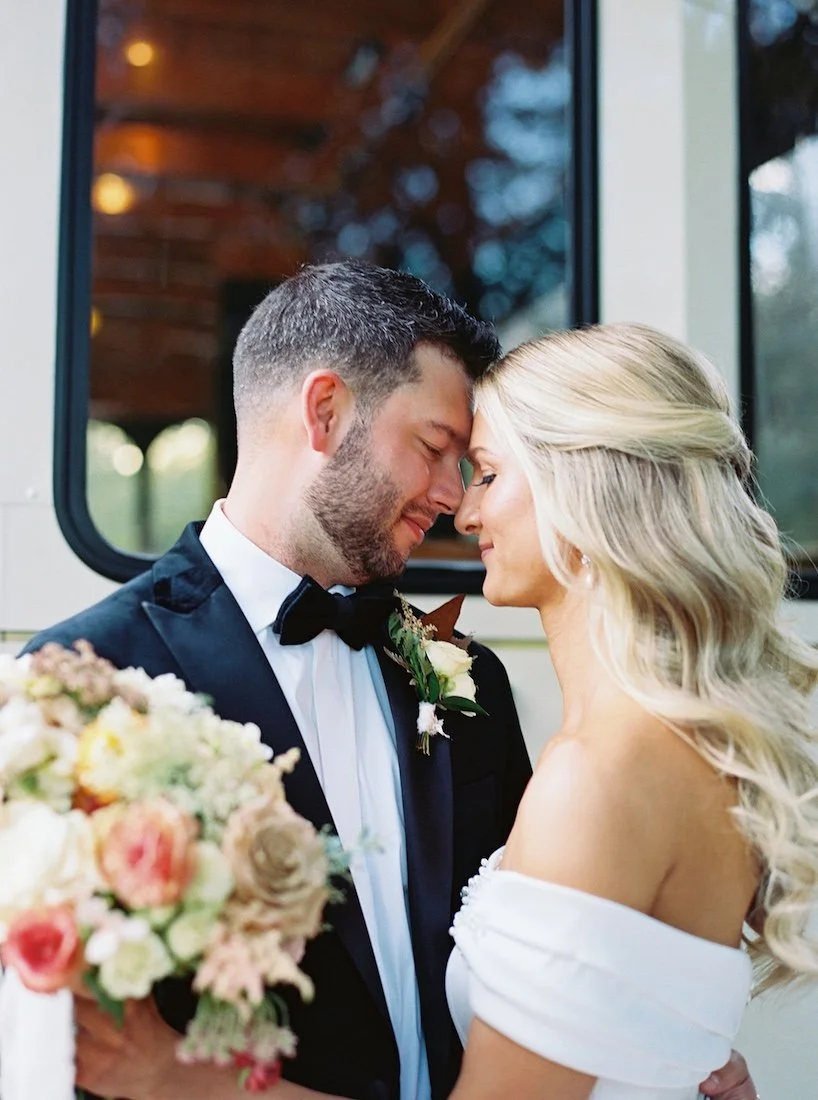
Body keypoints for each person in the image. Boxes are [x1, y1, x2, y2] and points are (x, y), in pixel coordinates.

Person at [22, 265, 756, 1100]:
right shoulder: (84, 684)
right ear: (326, 411)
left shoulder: (467, 680)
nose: (453, 501)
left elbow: (562, 960)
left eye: (473, 467)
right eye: (436, 450)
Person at [447, 321, 818, 1100]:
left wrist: (181, 1078)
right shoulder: (698, 746)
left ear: (576, 485)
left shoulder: (599, 775)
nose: (464, 514)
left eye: (485, 474)